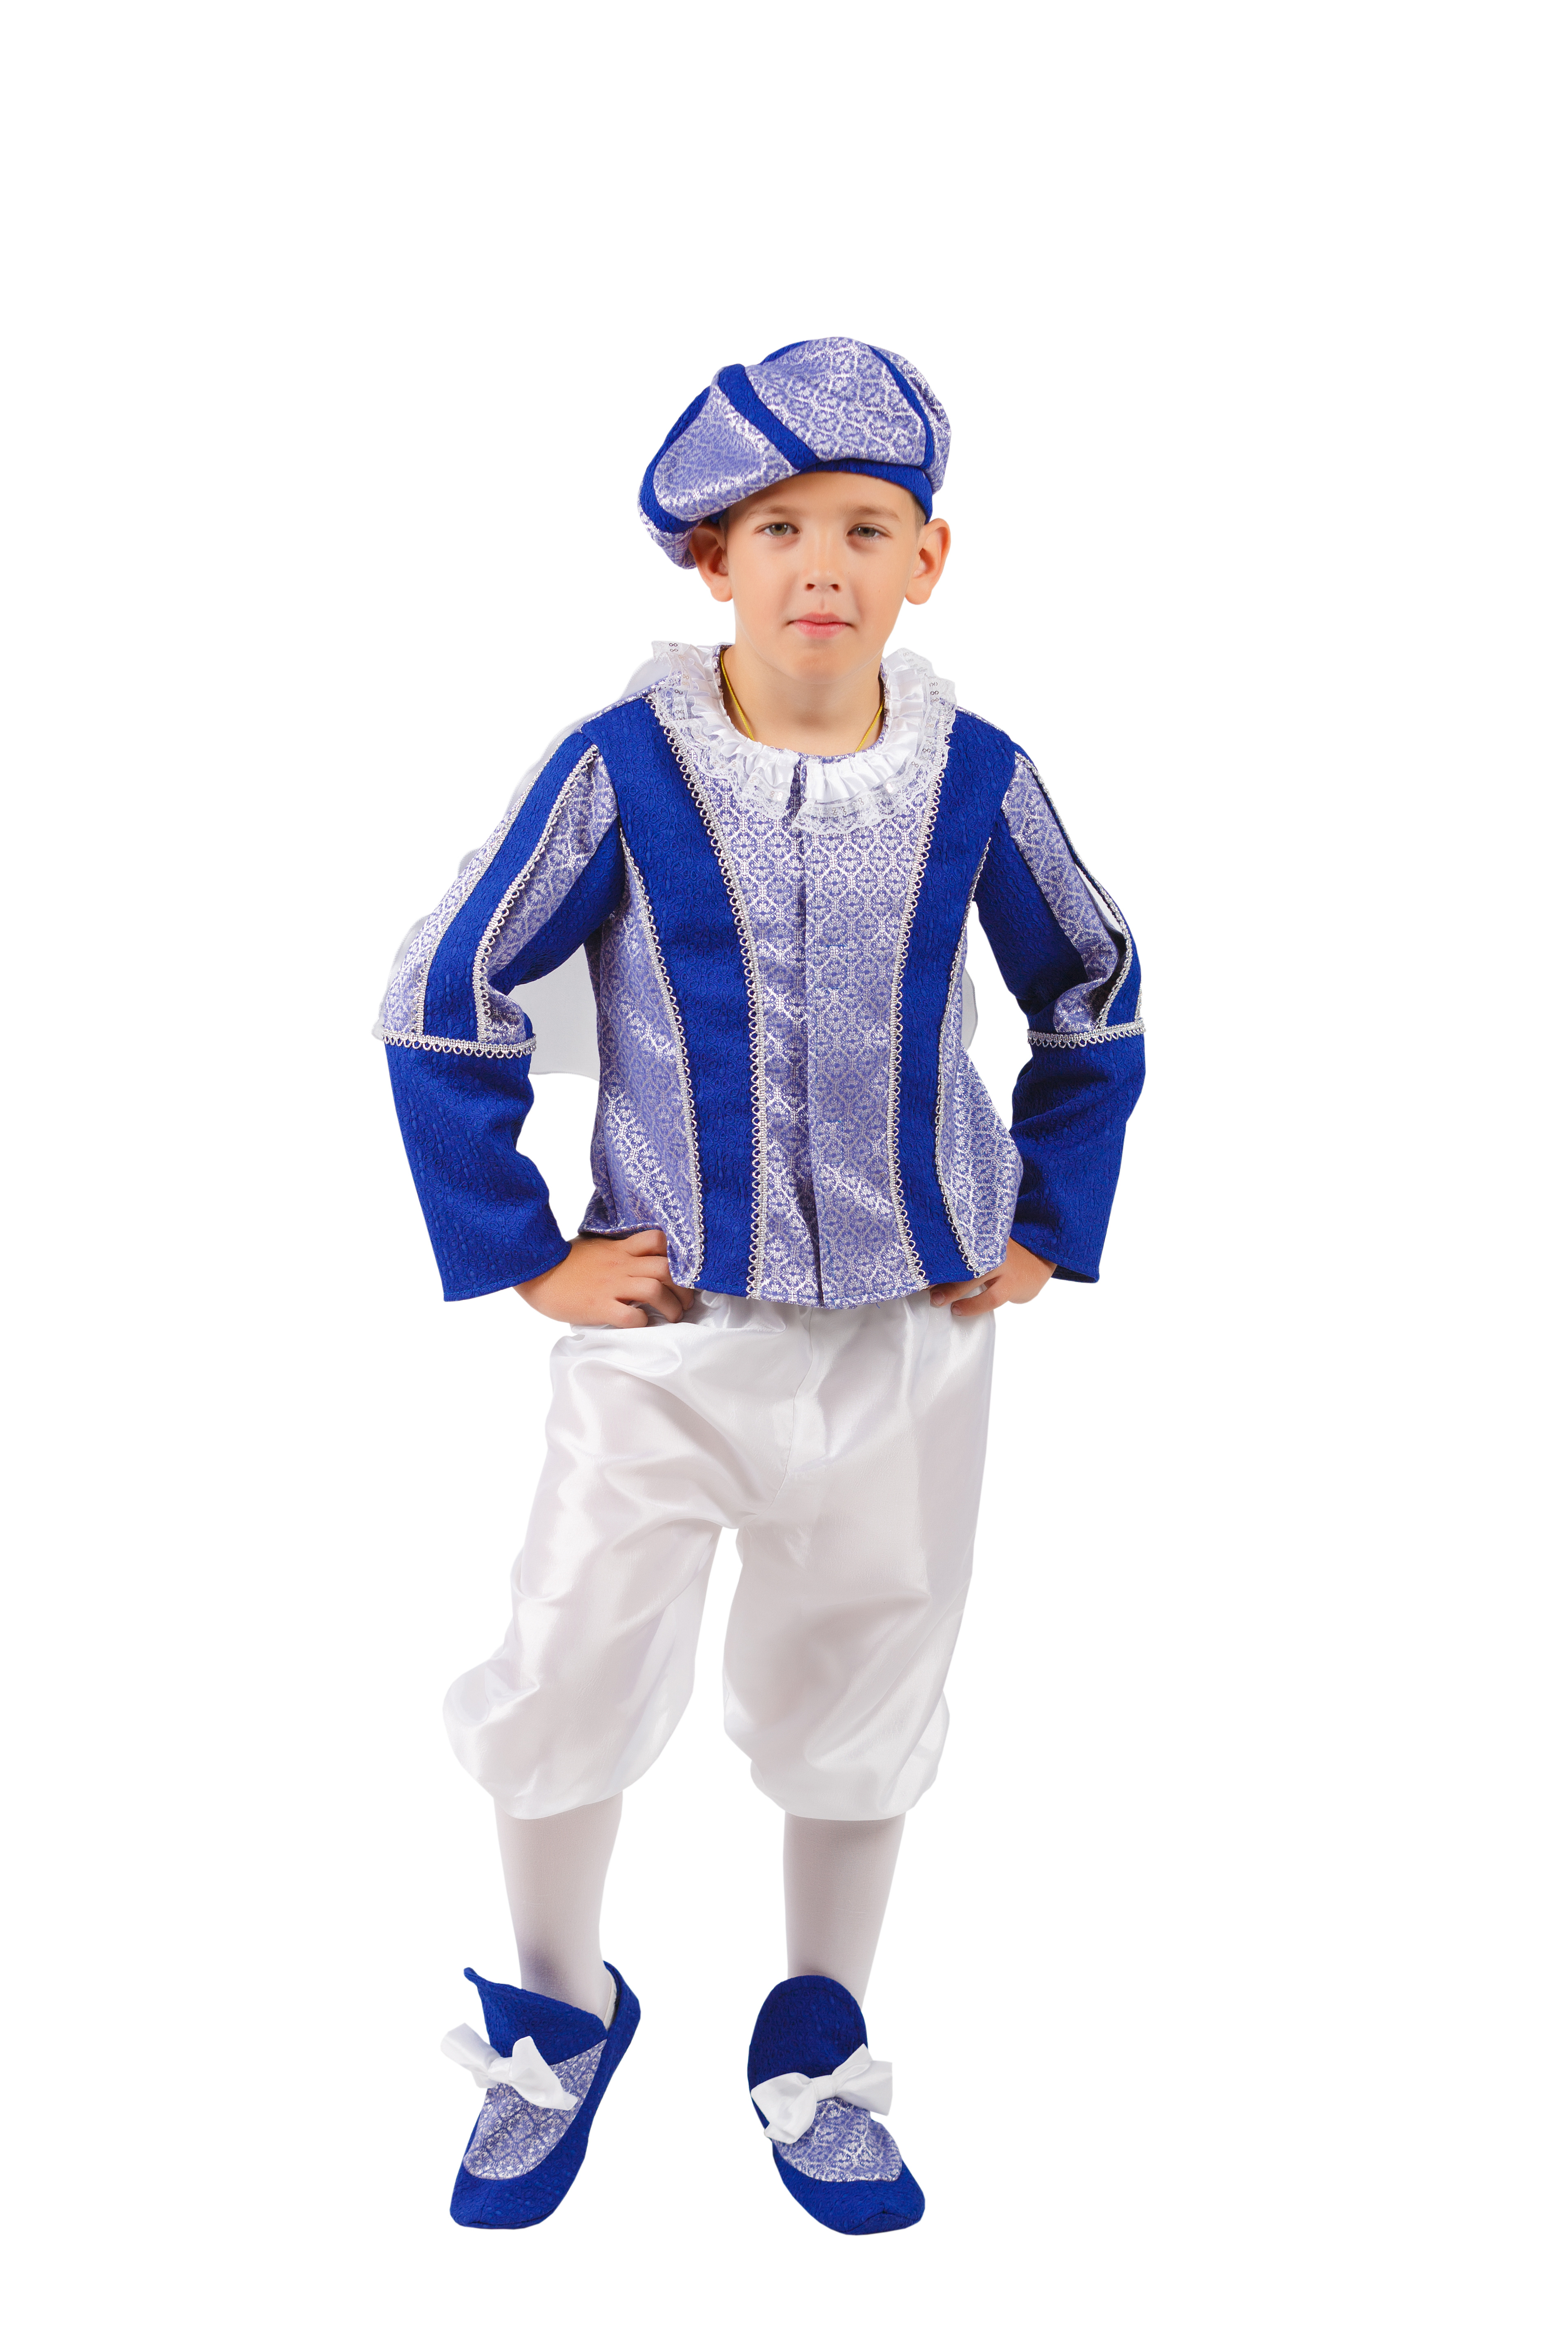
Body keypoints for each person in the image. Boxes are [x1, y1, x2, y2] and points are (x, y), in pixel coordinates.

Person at [378, 336, 1145, 2235]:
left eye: (867, 528)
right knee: (570, 1653)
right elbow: (448, 990)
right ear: (711, 561)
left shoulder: (977, 780)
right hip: (669, 1333)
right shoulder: (626, 768)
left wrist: (1045, 1219)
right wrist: (525, 1252)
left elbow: (1095, 985)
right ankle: (557, 2007)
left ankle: (819, 2031)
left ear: (928, 563)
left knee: (868, 1662)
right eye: (779, 526)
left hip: (911, 1334)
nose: (824, 562)